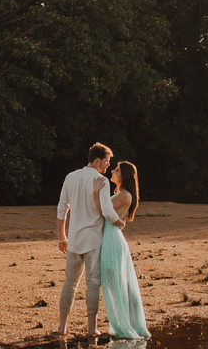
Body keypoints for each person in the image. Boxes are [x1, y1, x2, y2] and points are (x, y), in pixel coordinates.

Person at [56, 142, 125, 337]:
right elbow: (106, 211)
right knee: (93, 283)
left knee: (69, 283)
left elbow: (62, 208)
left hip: (75, 239)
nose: (108, 165)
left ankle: (62, 327)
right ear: (97, 160)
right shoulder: (100, 181)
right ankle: (92, 328)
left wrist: (62, 237)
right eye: (107, 161)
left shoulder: (70, 177)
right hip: (93, 240)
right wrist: (120, 223)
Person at [92, 161, 150, 339]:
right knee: (114, 283)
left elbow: (102, 210)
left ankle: (129, 323)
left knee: (116, 283)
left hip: (112, 241)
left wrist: (95, 192)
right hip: (109, 238)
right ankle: (125, 321)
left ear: (124, 175)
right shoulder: (119, 194)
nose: (112, 171)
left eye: (116, 170)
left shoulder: (125, 195)